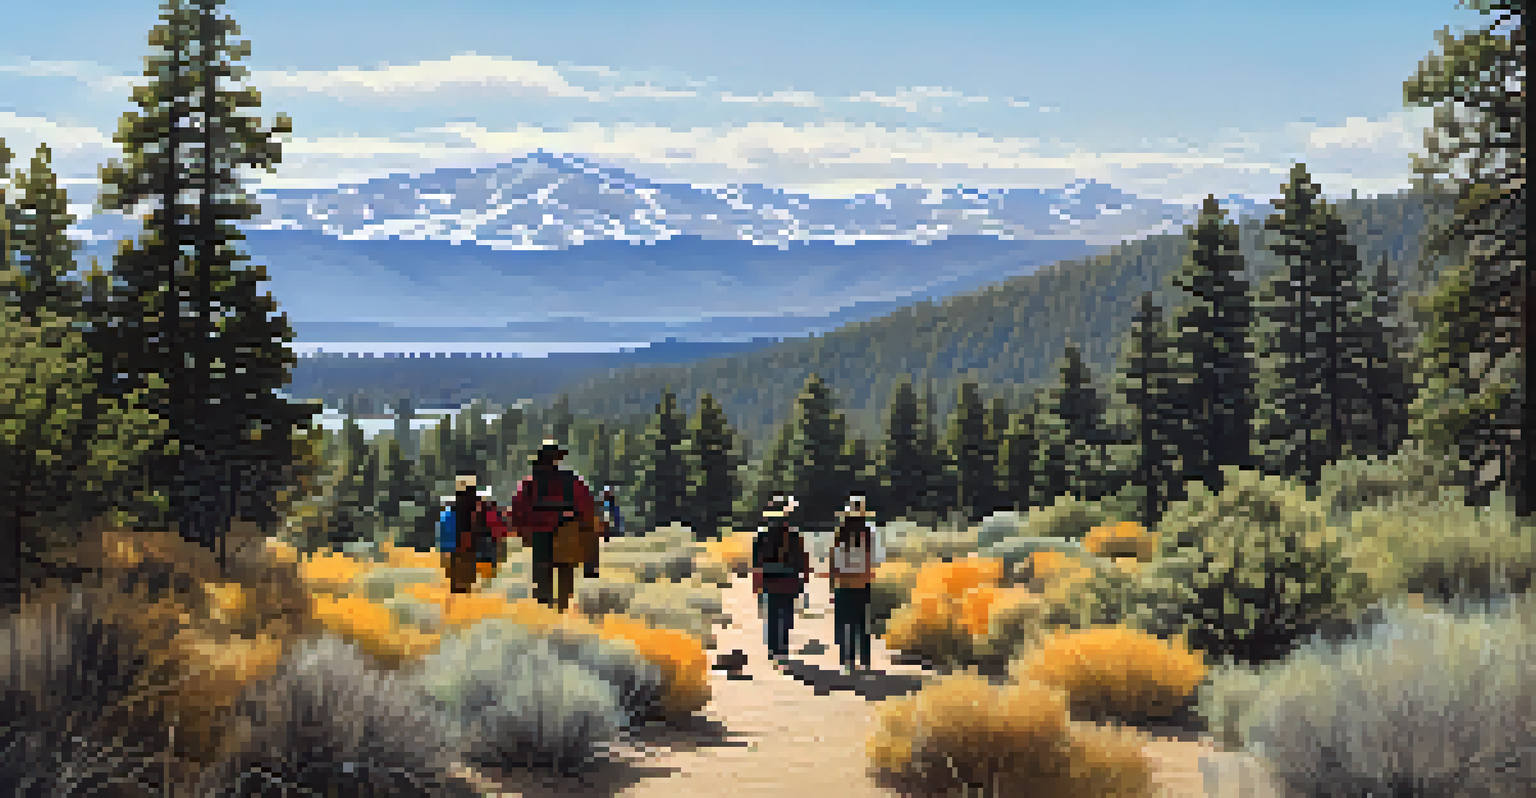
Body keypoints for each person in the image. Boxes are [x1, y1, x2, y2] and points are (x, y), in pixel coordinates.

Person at [509, 440, 601, 611]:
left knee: (542, 579)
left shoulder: (529, 483)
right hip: (567, 533)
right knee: (565, 576)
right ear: (557, 459)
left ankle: (545, 617)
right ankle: (562, 614)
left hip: (540, 536)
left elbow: (517, 511)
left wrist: (524, 533)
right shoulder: (571, 480)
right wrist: (586, 530)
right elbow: (587, 507)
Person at [828, 492, 883, 676]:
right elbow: (876, 558)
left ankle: (847, 661)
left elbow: (833, 560)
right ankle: (865, 661)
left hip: (843, 584)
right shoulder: (870, 532)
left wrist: (831, 584)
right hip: (863, 582)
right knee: (862, 623)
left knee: (844, 623)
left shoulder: (840, 533)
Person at [752, 494, 810, 664]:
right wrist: (804, 579)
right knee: (786, 615)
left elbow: (757, 564)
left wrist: (756, 585)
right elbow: (802, 560)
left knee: (771, 616)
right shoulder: (794, 535)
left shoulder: (761, 535)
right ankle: (782, 651)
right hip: (789, 581)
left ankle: (773, 650)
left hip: (769, 581)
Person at [440, 471, 508, 594]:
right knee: (480, 596)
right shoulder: (485, 508)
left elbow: (446, 534)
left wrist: (445, 558)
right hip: (481, 555)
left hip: (460, 555)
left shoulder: (451, 509)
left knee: (461, 595)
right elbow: (498, 531)